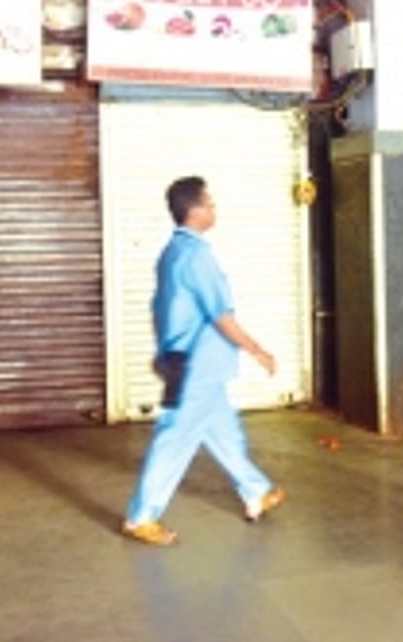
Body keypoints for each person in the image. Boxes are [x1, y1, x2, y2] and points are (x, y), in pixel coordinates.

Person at [121, 176, 285, 547]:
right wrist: (257, 350)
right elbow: (220, 315)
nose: (214, 209)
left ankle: (255, 491)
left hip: (196, 363)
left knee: (224, 432)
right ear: (194, 211)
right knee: (174, 439)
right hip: (197, 365)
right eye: (209, 203)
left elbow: (163, 307)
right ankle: (141, 517)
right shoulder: (197, 256)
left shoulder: (173, 252)